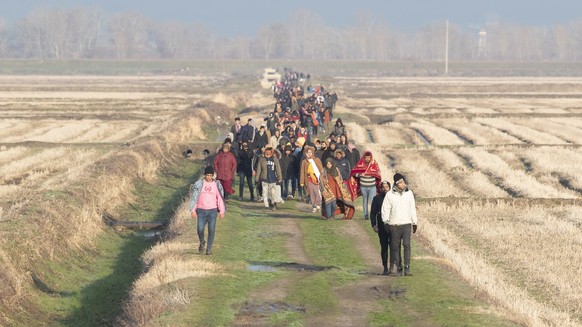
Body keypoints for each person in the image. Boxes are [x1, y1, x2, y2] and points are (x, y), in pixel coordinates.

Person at [381, 173, 418, 276]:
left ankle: (407, 267)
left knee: (407, 245)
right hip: (394, 224)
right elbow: (385, 208)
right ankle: (399, 267)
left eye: (403, 182)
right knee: (395, 247)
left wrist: (414, 222)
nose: (403, 184)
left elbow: (412, 208)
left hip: (406, 223)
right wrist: (385, 222)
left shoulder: (409, 193)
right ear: (396, 184)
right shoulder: (390, 195)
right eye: (401, 182)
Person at [189, 166, 226, 255]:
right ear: (204, 175)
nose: (209, 177)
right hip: (201, 210)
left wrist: (222, 211)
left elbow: (220, 198)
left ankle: (209, 249)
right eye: (207, 175)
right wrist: (193, 210)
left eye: (210, 175)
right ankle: (202, 241)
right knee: (200, 229)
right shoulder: (199, 184)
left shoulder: (216, 185)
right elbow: (194, 197)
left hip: (212, 210)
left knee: (211, 230)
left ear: (213, 176)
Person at [348, 151, 382, 220]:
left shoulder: (374, 164)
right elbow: (354, 172)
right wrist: (359, 175)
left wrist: (371, 173)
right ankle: (366, 215)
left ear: (370, 157)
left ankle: (373, 215)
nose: (367, 159)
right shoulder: (360, 163)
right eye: (366, 157)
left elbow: (378, 173)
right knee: (365, 201)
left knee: (373, 201)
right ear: (364, 157)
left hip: (372, 186)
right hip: (363, 187)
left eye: (368, 157)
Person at [370, 180, 392, 275]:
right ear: (380, 188)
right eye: (383, 187)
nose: (385, 188)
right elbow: (373, 213)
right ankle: (385, 267)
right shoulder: (377, 199)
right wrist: (374, 225)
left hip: (392, 226)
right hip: (381, 226)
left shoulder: (393, 198)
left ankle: (392, 265)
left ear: (390, 188)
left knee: (393, 247)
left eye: (387, 187)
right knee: (384, 247)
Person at [300, 146, 323, 213]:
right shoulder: (304, 161)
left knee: (317, 192)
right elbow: (302, 172)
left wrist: (322, 178)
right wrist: (302, 182)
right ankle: (314, 206)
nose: (309, 154)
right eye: (308, 152)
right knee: (311, 193)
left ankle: (318, 203)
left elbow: (321, 169)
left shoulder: (317, 160)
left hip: (317, 179)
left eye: (310, 152)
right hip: (308, 179)